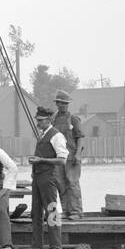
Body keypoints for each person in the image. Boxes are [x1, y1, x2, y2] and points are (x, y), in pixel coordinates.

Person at [29, 106, 68, 249]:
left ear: (48, 120)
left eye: (40, 120)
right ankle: (37, 246)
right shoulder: (43, 134)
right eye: (37, 120)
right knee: (36, 212)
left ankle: (56, 246)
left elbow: (62, 160)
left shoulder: (56, 136)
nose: (37, 123)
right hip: (38, 177)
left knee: (51, 210)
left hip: (48, 178)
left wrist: (41, 160)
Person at [52, 89, 86, 219]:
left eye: (66, 104)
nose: (63, 106)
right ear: (57, 104)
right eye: (61, 103)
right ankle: (66, 211)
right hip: (58, 157)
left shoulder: (73, 119)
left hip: (72, 156)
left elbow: (80, 138)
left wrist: (78, 154)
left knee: (73, 184)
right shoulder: (53, 119)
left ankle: (76, 211)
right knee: (61, 183)